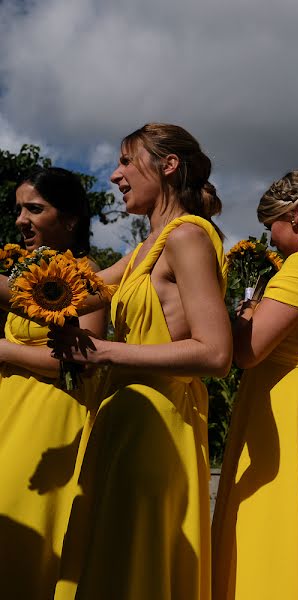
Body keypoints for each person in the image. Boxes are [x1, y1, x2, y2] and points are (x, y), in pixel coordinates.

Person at [49, 123, 232, 600]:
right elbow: (62, 296)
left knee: (132, 568)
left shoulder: (188, 237)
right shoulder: (140, 253)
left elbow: (215, 353)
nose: (114, 175)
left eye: (127, 161)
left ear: (168, 166)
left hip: (156, 428)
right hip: (121, 423)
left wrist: (103, 351)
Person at [211, 169, 298, 600]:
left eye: (271, 223)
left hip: (286, 403)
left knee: (272, 521)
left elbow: (249, 352)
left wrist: (240, 315)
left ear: (296, 215)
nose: (269, 236)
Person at [0, 167, 106, 599]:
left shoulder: (87, 274)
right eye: (18, 209)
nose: (21, 220)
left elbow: (85, 358)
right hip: (11, 407)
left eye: (35, 209)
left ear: (70, 219)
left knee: (23, 529)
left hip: (50, 415)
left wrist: (3, 352)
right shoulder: (28, 272)